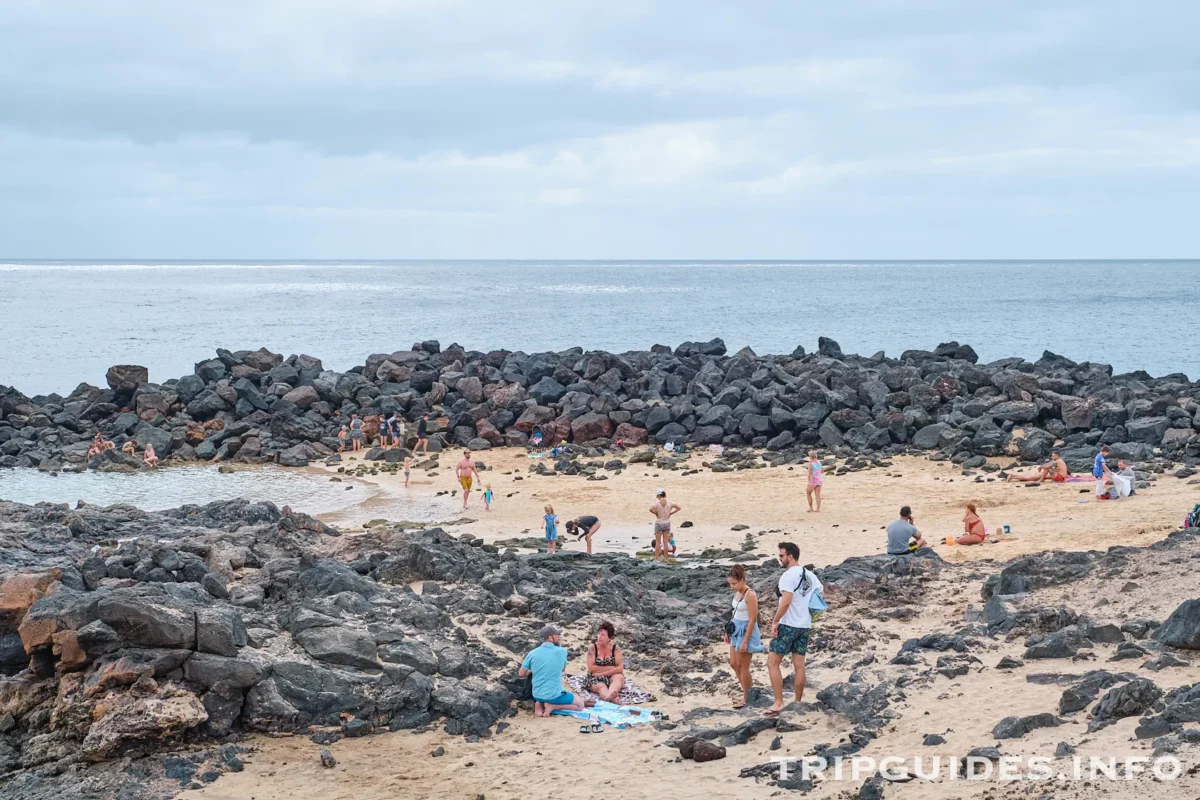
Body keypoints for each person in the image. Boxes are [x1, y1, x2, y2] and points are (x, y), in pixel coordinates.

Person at [765, 541, 821, 716]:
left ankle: (778, 702)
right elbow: (820, 594)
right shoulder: (810, 575)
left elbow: (786, 600)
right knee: (799, 666)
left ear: (790, 556)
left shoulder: (788, 576)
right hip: (804, 624)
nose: (779, 559)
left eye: (781, 555)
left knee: (773, 663)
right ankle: (797, 701)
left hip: (788, 624)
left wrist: (775, 621)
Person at [519, 625, 589, 717]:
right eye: (557, 634)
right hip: (554, 695)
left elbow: (521, 674)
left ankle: (540, 704)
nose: (559, 636)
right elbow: (562, 669)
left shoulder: (532, 653)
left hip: (537, 694)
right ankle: (552, 707)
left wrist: (533, 671)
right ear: (550, 638)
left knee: (544, 695)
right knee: (580, 705)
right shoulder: (562, 651)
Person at [724, 564, 765, 709]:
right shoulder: (737, 593)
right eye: (730, 584)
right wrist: (727, 633)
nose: (732, 587)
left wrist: (745, 641)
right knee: (734, 664)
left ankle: (747, 697)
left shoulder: (750, 594)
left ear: (742, 580)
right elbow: (734, 613)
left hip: (746, 631)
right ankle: (746, 692)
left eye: (734, 583)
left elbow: (753, 619)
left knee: (743, 666)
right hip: (735, 629)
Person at [585, 621, 626, 703]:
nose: (600, 637)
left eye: (603, 635)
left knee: (619, 678)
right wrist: (612, 667)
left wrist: (601, 673)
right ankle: (610, 698)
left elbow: (620, 669)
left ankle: (612, 694)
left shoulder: (615, 649)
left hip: (610, 675)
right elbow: (591, 668)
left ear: (609, 638)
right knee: (601, 686)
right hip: (594, 677)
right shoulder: (593, 648)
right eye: (599, 634)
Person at [649, 490, 681, 562]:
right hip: (667, 522)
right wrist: (671, 513)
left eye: (657, 496)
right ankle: (666, 558)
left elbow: (650, 509)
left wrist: (656, 513)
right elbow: (678, 508)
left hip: (659, 522)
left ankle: (656, 559)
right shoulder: (670, 503)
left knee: (658, 542)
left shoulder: (656, 503)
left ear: (659, 495)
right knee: (666, 541)